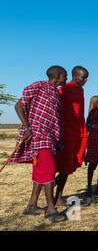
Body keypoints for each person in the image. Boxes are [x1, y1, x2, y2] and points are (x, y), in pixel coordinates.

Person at [10, 65, 67, 222]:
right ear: (57, 75)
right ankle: (50, 209)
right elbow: (18, 106)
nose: (66, 78)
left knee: (41, 172)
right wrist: (28, 127)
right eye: (65, 76)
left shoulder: (55, 93)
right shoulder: (39, 86)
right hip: (38, 136)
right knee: (49, 170)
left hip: (49, 137)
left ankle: (32, 206)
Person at [54, 66, 89, 207]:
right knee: (62, 165)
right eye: (83, 77)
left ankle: (59, 197)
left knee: (68, 166)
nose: (85, 80)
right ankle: (53, 199)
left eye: (87, 77)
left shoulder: (80, 90)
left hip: (77, 132)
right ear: (75, 75)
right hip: (65, 133)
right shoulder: (64, 89)